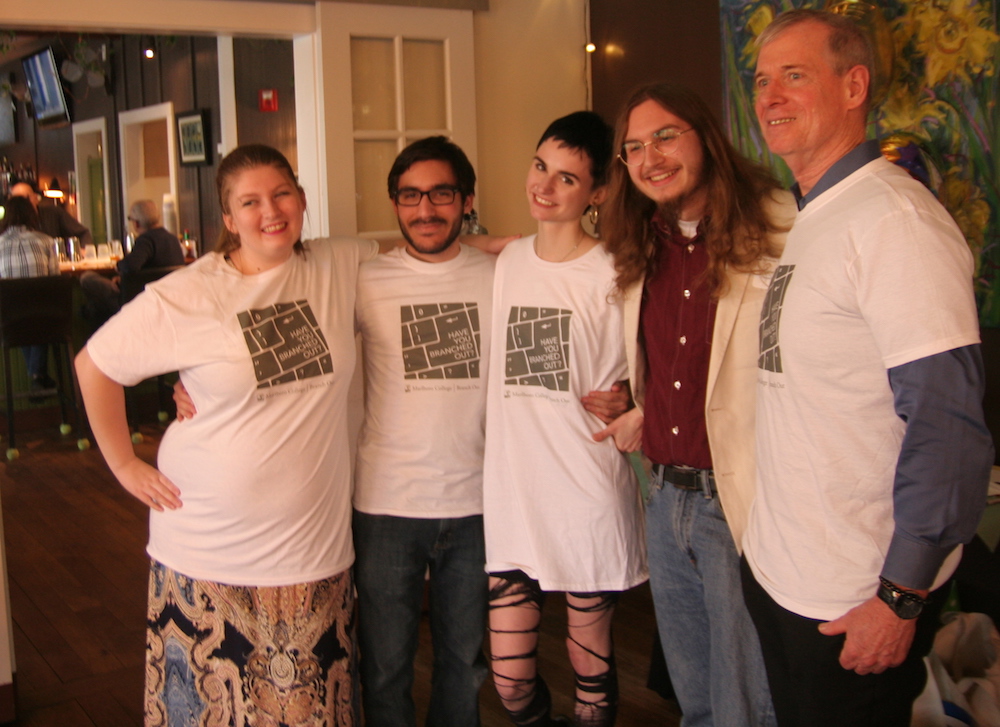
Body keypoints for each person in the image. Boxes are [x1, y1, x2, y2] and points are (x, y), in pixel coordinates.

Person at [742, 9, 993, 725]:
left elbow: (948, 430)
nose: (770, 97)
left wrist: (900, 597)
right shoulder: (818, 216)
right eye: (762, 80)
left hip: (855, 599)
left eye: (795, 76)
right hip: (785, 577)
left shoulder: (894, 222)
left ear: (854, 86)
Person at [75, 144, 381, 725]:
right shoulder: (191, 292)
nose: (270, 210)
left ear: (302, 199)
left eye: (281, 193)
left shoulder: (340, 263)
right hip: (208, 553)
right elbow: (94, 366)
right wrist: (123, 465)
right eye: (250, 201)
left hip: (313, 550)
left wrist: (511, 251)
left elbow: (427, 260)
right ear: (228, 218)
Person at [594, 82, 795, 727]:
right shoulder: (641, 240)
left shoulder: (779, 227)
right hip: (665, 498)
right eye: (633, 147)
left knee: (745, 707)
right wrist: (646, 408)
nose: (649, 157)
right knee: (696, 701)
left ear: (706, 136)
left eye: (665, 136)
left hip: (736, 500)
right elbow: (686, 367)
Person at [483, 111, 647, 727]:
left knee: (593, 680)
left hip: (584, 488)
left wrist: (635, 399)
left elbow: (666, 358)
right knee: (509, 682)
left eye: (568, 179)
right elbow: (467, 247)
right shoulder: (507, 261)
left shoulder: (616, 269)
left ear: (599, 192)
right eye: (539, 166)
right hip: (514, 493)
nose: (544, 187)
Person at [352, 136, 495, 726]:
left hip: (479, 501)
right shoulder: (363, 279)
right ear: (394, 204)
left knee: (465, 665)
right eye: (410, 196)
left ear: (465, 200)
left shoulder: (502, 275)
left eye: (440, 193)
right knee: (384, 667)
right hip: (388, 502)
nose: (425, 209)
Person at [80, 199, 186, 328]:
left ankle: (89, 318)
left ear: (136, 223)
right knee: (95, 308)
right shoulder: (172, 238)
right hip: (168, 299)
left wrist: (118, 265)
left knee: (87, 278)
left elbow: (130, 266)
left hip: (138, 300)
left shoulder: (146, 240)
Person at [0, 195, 60, 395]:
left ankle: (37, 376)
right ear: (32, 215)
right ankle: (38, 376)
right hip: (45, 317)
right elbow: (55, 282)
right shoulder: (46, 241)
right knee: (39, 308)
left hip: (9, 319)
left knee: (22, 313)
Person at [9, 181, 93, 249]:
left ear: (35, 198)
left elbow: (83, 233)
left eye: (25, 198)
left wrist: (84, 250)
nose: (21, 204)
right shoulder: (9, 224)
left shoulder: (54, 213)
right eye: (16, 200)